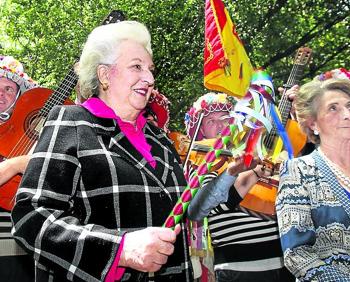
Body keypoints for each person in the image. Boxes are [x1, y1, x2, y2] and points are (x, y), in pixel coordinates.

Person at [11, 21, 193, 281]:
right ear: (105, 75)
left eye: (150, 70)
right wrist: (119, 250)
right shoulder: (72, 122)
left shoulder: (160, 139)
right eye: (136, 67)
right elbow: (31, 216)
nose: (150, 79)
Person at [276, 78, 350, 281]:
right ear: (313, 123)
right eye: (333, 108)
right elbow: (297, 254)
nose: (348, 114)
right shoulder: (298, 171)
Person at [186, 92, 295, 282]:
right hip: (237, 268)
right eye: (211, 121)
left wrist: (294, 111)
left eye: (225, 119)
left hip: (285, 262)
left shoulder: (258, 152)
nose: (220, 126)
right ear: (201, 130)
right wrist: (249, 173)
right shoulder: (204, 164)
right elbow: (207, 208)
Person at [0, 55, 37, 281]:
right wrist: (15, 165)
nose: (1, 95)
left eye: (8, 89)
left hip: (19, 238)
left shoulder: (29, 132)